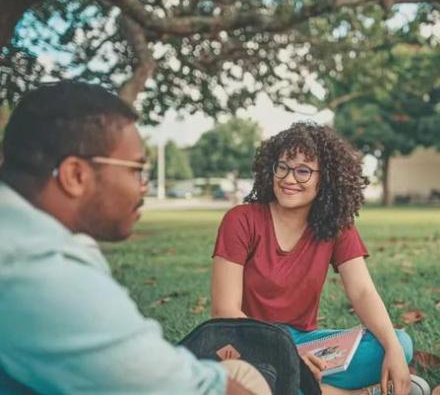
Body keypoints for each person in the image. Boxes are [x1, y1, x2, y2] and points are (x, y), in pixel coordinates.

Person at [0, 81, 270, 395]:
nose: (143, 186)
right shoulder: (41, 271)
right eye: (136, 170)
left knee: (235, 370)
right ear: (76, 175)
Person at [210, 122, 429, 395]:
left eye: (303, 171)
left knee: (398, 342)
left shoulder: (336, 225)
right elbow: (224, 311)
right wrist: (287, 358)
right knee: (257, 380)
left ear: (325, 178)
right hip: (248, 343)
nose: (289, 179)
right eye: (283, 167)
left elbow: (362, 292)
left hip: (304, 344)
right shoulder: (241, 220)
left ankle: (301, 385)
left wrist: (394, 352)